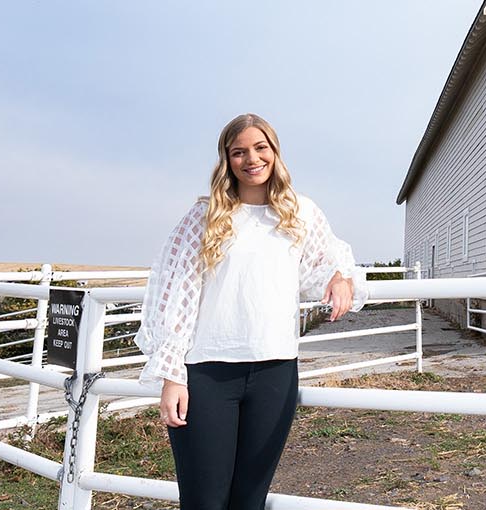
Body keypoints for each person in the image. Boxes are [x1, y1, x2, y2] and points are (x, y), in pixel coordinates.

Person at [134, 113, 367, 509]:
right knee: (205, 500)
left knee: (249, 500)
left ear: (275, 152)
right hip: (207, 373)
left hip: (275, 373)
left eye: (260, 148)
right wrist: (172, 376)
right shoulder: (205, 217)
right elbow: (174, 296)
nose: (251, 159)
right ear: (227, 160)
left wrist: (342, 277)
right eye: (238, 151)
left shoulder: (300, 213)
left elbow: (328, 262)